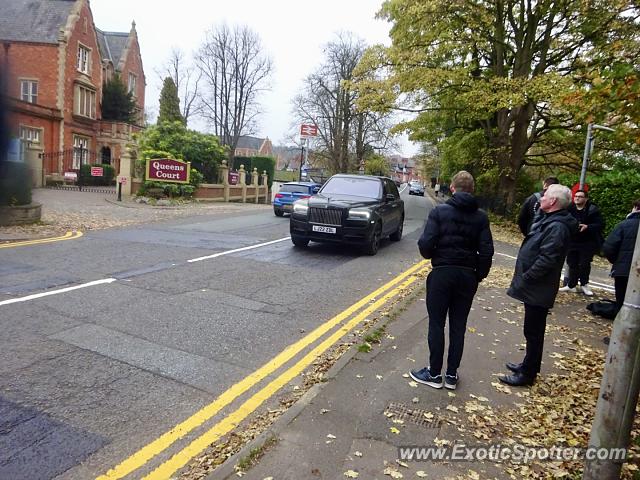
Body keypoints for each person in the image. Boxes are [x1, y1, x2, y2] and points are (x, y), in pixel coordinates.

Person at [411, 171, 494, 390]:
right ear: (472, 190)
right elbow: (486, 251)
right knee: (459, 326)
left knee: (436, 323)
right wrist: (479, 275)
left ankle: (434, 374)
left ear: (452, 188)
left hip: (442, 273)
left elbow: (426, 243)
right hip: (467, 276)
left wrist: (432, 256)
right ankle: (451, 375)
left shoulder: (440, 211)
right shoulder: (481, 217)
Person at [500, 184, 577, 387]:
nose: (541, 198)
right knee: (532, 330)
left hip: (538, 288)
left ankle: (528, 373)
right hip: (536, 288)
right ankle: (528, 365)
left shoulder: (557, 227)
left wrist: (527, 277)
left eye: (545, 196)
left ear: (553, 202)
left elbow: (547, 259)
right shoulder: (551, 220)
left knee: (534, 331)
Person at [558, 190, 604, 296]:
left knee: (584, 263)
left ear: (586, 199)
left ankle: (584, 284)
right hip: (573, 240)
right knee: (572, 262)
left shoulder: (592, 210)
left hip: (587, 242)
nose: (577, 198)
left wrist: (587, 227)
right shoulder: (569, 209)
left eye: (580, 196)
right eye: (576, 196)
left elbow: (600, 224)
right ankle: (571, 285)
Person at [602, 199, 640, 312]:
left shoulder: (624, 225)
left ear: (635, 208)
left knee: (622, 302)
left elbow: (609, 247)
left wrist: (618, 261)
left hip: (623, 271)